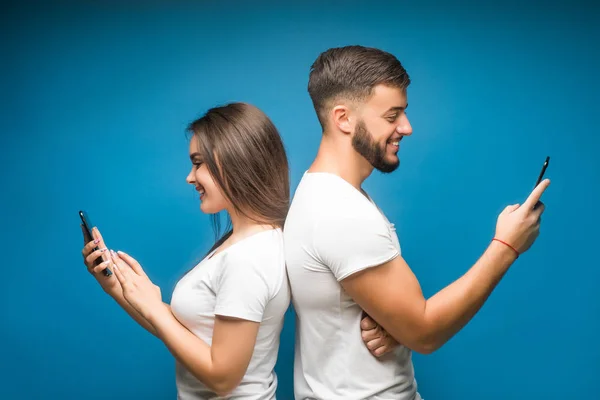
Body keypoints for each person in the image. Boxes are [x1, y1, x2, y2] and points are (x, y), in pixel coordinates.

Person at [283, 45, 550, 400]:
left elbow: (394, 320)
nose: (406, 128)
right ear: (343, 118)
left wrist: (398, 326)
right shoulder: (341, 213)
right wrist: (507, 246)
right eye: (392, 115)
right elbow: (425, 332)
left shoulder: (322, 194)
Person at [80, 102, 291, 399]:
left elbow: (222, 378)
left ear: (234, 160)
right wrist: (117, 286)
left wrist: (154, 305)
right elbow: (190, 336)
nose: (190, 177)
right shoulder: (249, 243)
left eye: (198, 163)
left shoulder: (248, 258)